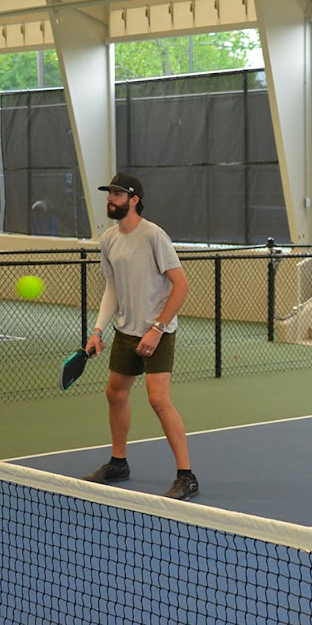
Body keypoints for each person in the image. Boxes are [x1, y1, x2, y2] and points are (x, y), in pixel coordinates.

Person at [82, 172, 199, 500]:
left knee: (158, 399)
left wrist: (158, 328)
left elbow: (181, 285)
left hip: (158, 331)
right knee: (115, 393)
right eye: (109, 194)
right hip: (126, 330)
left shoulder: (154, 236)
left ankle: (186, 476)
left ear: (134, 200)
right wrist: (97, 330)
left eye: (117, 195)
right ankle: (118, 463)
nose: (110, 199)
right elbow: (112, 288)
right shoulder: (108, 239)